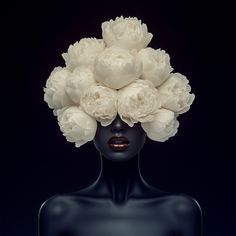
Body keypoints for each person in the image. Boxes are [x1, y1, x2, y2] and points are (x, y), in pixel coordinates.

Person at [38, 115, 202, 236]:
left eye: (129, 116)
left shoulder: (180, 211)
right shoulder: (60, 212)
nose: (117, 126)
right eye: (105, 115)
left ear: (147, 124)